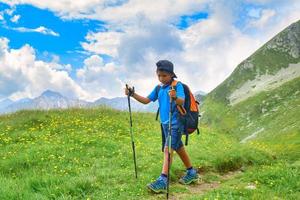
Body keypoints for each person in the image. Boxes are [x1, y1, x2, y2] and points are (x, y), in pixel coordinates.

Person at [125, 60, 199, 193]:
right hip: (165, 124)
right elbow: (146, 101)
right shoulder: (158, 88)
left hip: (175, 123)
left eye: (164, 75)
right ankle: (191, 172)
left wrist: (175, 97)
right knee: (179, 147)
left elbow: (182, 100)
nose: (161, 78)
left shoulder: (178, 85)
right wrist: (132, 94)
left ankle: (163, 180)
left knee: (168, 149)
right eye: (159, 75)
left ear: (171, 74)